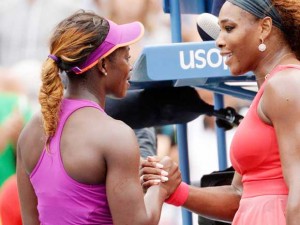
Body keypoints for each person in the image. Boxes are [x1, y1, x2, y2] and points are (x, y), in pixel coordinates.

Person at [140, 0, 300, 224]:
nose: (219, 42)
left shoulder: (286, 84)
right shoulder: (275, 87)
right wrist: (175, 191)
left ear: (264, 28)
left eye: (229, 28)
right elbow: (241, 196)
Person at [16, 10, 181, 225]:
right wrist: (161, 186)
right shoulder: (116, 135)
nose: (130, 67)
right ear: (103, 65)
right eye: (126, 57)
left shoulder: (30, 131)